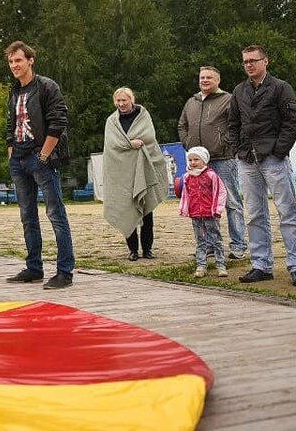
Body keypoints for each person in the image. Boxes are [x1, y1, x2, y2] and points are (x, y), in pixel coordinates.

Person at [227, 45, 296, 287]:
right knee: (254, 214)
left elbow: (292, 122)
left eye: (253, 60)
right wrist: (238, 150)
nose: (249, 65)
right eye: (245, 61)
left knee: (287, 213)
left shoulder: (281, 88)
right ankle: (261, 264)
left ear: (266, 61)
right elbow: (232, 123)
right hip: (247, 160)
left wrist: (278, 150)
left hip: (273, 158)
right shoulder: (239, 90)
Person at [1, 41, 75, 290]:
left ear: (30, 60)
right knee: (27, 216)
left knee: (55, 214)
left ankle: (65, 271)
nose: (14, 65)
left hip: (40, 157)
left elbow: (58, 121)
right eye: (11, 62)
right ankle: (34, 267)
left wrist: (44, 155)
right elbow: (10, 125)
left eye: (18, 60)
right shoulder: (14, 91)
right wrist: (11, 150)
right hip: (19, 159)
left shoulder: (46, 86)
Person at [177, 65, 247, 261]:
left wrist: (226, 143)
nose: (205, 80)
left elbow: (237, 125)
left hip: (222, 158)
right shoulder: (191, 101)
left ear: (218, 80)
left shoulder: (228, 99)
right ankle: (208, 246)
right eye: (202, 77)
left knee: (231, 202)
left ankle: (238, 245)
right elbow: (182, 125)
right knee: (201, 205)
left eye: (209, 77)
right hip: (199, 164)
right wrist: (188, 144)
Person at [101, 87, 166, 261]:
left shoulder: (143, 116)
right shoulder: (111, 122)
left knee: (146, 210)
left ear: (132, 100)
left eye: (124, 100)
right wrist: (130, 144)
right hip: (122, 174)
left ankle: (147, 249)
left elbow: (149, 136)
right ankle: (133, 250)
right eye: (118, 101)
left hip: (143, 170)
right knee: (126, 209)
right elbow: (112, 145)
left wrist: (137, 142)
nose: (121, 104)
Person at [178, 147, 228, 279]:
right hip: (195, 214)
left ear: (204, 160)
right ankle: (201, 265)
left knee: (216, 239)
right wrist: (184, 209)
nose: (193, 162)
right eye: (190, 160)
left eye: (196, 159)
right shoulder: (187, 177)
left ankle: (221, 265)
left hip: (210, 214)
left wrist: (217, 209)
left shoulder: (211, 175)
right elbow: (185, 195)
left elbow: (220, 192)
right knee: (200, 241)